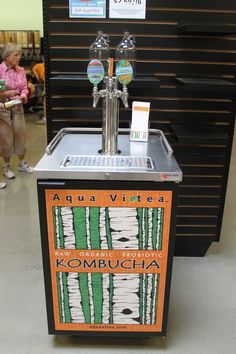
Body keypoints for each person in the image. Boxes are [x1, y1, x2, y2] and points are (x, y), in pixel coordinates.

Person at [0, 43, 33, 180]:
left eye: (19, 54)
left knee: (20, 134)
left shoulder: (20, 70)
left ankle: (22, 163)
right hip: (3, 109)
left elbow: (24, 88)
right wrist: (7, 94)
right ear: (7, 56)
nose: (19, 57)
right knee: (6, 137)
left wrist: (23, 95)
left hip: (18, 108)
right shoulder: (0, 70)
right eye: (16, 55)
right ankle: (6, 166)